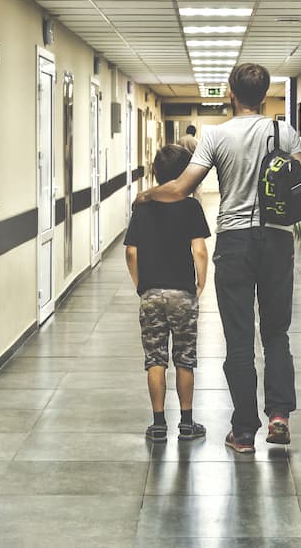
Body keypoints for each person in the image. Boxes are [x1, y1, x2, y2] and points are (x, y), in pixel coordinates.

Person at [135, 63, 301, 454]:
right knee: (276, 332)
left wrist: (148, 195)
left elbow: (182, 188)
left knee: (238, 339)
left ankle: (245, 430)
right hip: (278, 240)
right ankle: (279, 416)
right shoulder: (284, 131)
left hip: (235, 242)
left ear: (231, 93)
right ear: (265, 95)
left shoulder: (216, 135)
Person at [124, 144, 211, 443]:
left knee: (155, 358)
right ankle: (187, 423)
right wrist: (200, 283)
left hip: (151, 293)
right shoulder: (191, 206)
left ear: (156, 172)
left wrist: (141, 285)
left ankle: (158, 424)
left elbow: (131, 252)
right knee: (185, 358)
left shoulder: (143, 206)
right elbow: (199, 250)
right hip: (182, 292)